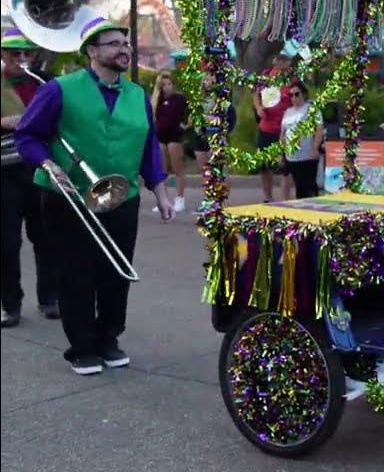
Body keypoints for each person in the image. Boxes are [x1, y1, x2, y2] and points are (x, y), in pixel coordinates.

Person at [15, 19, 175, 375]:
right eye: (114, 44)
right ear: (92, 51)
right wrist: (47, 163)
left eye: (125, 43)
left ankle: (109, 338)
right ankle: (83, 347)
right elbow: (27, 134)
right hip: (67, 195)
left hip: (122, 196)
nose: (124, 49)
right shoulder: (59, 89)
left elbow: (149, 146)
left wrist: (161, 192)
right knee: (76, 273)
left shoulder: (137, 95)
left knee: (116, 274)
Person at [1, 26, 57, 327]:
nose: (22, 58)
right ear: (3, 55)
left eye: (27, 53)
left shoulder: (44, 83)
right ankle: (10, 305)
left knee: (46, 237)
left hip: (39, 168)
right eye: (14, 53)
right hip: (5, 171)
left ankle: (49, 299)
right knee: (7, 243)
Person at [252, 52, 294, 202]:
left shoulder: (293, 78)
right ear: (275, 61)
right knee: (265, 165)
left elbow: (300, 97)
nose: (282, 63)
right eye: (280, 60)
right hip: (266, 127)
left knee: (286, 167)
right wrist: (258, 108)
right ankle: (268, 197)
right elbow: (256, 95)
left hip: (285, 128)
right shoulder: (266, 76)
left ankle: (285, 199)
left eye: (286, 60)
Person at [191, 73, 236, 191]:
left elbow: (230, 118)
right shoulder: (198, 99)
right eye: (204, 79)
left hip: (217, 136)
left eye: (210, 79)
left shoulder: (222, 99)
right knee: (205, 171)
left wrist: (223, 131)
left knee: (220, 171)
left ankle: (221, 201)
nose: (207, 82)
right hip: (201, 136)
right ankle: (208, 199)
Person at [151, 71, 189, 213]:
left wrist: (186, 125)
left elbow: (190, 113)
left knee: (177, 168)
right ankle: (163, 200)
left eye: (169, 84)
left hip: (174, 136)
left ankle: (180, 198)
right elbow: (153, 117)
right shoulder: (157, 100)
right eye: (163, 85)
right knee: (162, 171)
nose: (166, 87)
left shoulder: (179, 98)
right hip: (160, 136)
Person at [280, 82, 324, 199]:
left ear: (303, 94)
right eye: (291, 95)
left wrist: (315, 147)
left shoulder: (311, 109)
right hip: (292, 157)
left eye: (296, 94)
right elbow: (283, 133)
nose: (293, 98)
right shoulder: (288, 112)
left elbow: (319, 129)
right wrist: (281, 153)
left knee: (309, 188)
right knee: (299, 188)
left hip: (308, 156)